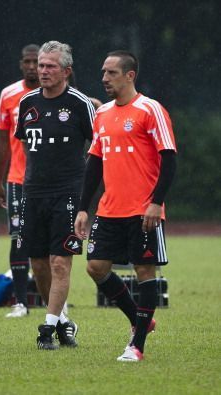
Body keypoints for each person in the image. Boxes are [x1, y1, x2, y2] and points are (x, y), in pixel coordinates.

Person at [74, 50, 176, 362]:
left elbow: (169, 158)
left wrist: (156, 203)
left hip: (142, 210)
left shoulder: (150, 109)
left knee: (144, 271)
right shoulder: (102, 114)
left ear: (130, 75)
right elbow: (94, 164)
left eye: (111, 73)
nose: (104, 78)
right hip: (109, 209)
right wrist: (83, 208)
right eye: (103, 72)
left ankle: (137, 346)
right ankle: (139, 319)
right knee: (95, 268)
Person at [13, 41, 95, 350]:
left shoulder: (78, 103)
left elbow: (96, 146)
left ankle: (47, 328)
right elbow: (25, 145)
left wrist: (84, 186)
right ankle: (63, 321)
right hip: (34, 192)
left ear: (66, 71)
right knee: (39, 263)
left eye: (49, 66)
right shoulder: (27, 103)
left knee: (60, 262)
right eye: (41, 65)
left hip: (69, 192)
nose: (42, 70)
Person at [0, 44, 40, 318]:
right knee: (19, 238)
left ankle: (54, 301)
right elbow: (2, 142)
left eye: (38, 61)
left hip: (46, 181)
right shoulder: (8, 94)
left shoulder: (52, 93)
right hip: (17, 179)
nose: (33, 66)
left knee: (49, 241)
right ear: (20, 64)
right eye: (28, 61)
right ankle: (21, 302)